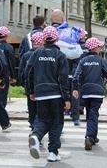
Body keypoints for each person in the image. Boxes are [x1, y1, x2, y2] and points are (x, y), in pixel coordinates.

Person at [25, 26, 71, 162]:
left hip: (41, 93)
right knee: (56, 122)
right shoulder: (60, 55)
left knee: (43, 119)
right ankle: (53, 152)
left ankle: (36, 135)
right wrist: (66, 98)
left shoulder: (36, 54)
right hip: (56, 94)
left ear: (44, 39)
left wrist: (31, 91)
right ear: (56, 39)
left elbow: (28, 73)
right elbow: (63, 78)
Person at [72, 37, 107, 150]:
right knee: (93, 114)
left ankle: (93, 137)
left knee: (90, 114)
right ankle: (89, 136)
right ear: (95, 48)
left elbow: (76, 76)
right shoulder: (100, 60)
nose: (100, 48)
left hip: (86, 91)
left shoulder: (82, 61)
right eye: (99, 46)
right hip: (97, 91)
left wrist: (76, 88)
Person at [50, 9, 84, 126]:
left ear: (51, 19)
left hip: (56, 71)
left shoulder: (50, 32)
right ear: (63, 19)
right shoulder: (71, 32)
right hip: (72, 69)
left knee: (58, 93)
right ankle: (75, 117)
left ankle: (59, 116)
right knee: (74, 91)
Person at [18, 31, 44, 130]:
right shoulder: (43, 54)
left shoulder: (26, 55)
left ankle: (32, 123)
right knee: (40, 109)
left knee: (31, 107)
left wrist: (24, 84)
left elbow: (21, 71)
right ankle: (38, 126)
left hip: (29, 86)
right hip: (41, 86)